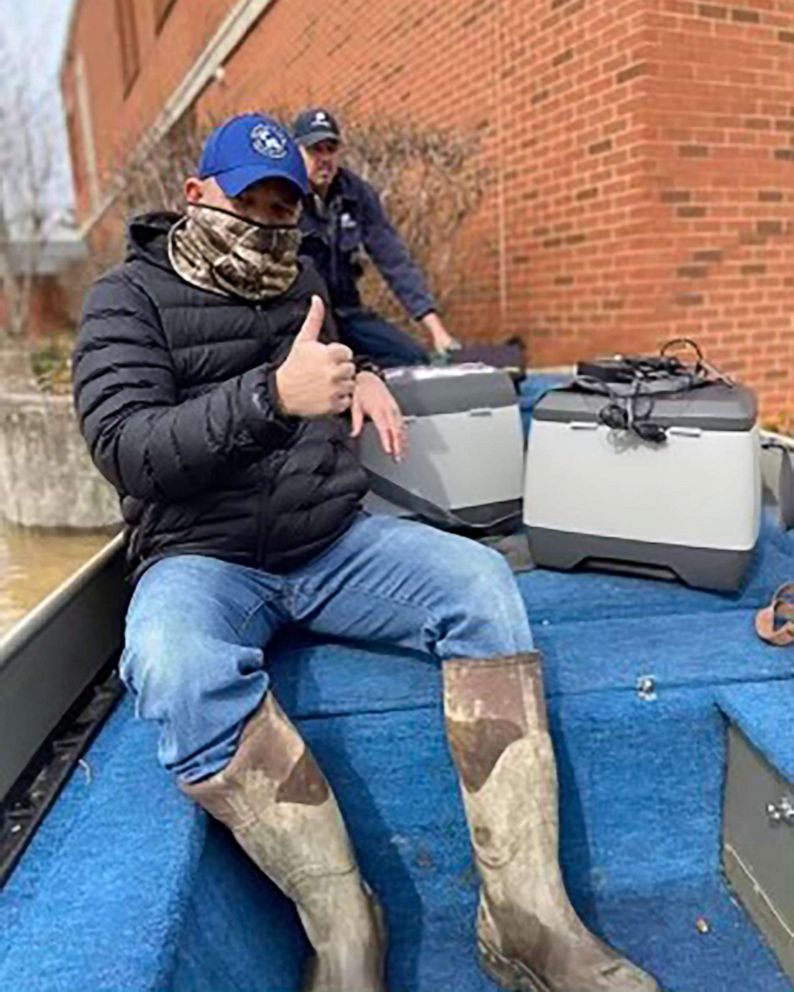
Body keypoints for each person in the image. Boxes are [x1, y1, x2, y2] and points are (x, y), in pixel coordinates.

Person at [72, 112, 658, 992]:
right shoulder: (126, 299)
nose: (269, 221)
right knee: (172, 664)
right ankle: (347, 924)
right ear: (195, 196)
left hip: (329, 540)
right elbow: (127, 447)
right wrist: (272, 395)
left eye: (285, 205)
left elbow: (335, 342)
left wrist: (366, 373)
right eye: (249, 200)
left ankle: (526, 916)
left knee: (480, 580)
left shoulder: (298, 273)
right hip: (202, 558)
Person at [292, 106, 460, 368]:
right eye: (315, 149)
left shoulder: (356, 193)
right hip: (301, 319)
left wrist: (437, 331)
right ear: (297, 152)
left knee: (411, 358)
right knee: (329, 375)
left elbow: (393, 258)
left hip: (346, 313)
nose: (324, 158)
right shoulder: (283, 197)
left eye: (330, 149)